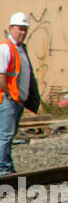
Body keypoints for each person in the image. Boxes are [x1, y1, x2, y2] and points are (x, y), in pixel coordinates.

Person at [0, 12, 40, 175]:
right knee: (5, 135)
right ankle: (3, 168)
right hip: (8, 99)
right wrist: (9, 94)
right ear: (11, 28)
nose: (22, 32)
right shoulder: (6, 48)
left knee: (9, 134)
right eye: (19, 29)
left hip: (16, 100)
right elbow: (1, 75)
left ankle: (6, 165)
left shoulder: (21, 49)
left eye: (25, 29)